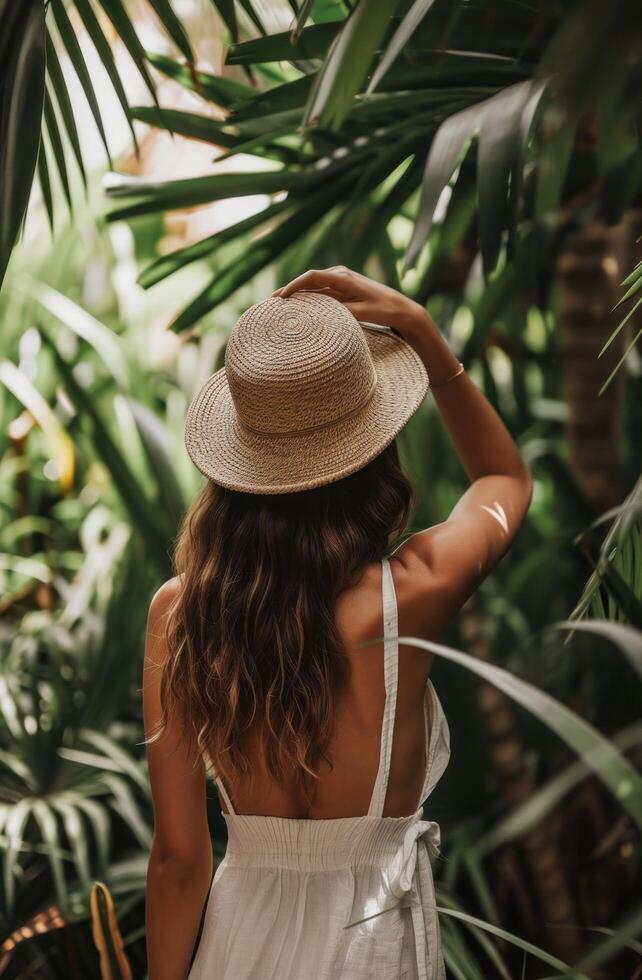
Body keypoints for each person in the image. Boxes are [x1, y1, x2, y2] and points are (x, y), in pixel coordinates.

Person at [142, 268, 532, 980]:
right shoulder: (412, 591)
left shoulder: (180, 615)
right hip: (371, 949)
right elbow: (505, 480)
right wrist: (421, 332)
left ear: (239, 461)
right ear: (370, 455)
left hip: (237, 947)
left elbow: (177, 864)